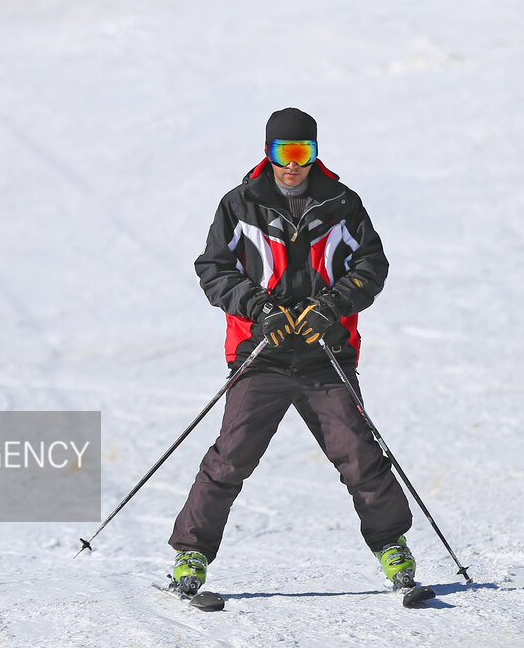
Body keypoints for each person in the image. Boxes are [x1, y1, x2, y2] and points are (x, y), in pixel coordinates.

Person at [167, 107, 416, 596]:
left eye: (303, 152)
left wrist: (333, 306)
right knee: (230, 458)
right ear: (268, 152)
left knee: (360, 455)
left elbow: (372, 265)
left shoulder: (342, 204)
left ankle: (393, 548)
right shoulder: (240, 205)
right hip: (262, 353)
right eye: (284, 153)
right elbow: (213, 269)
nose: (293, 165)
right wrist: (259, 309)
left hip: (326, 353)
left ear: (315, 153)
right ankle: (190, 556)